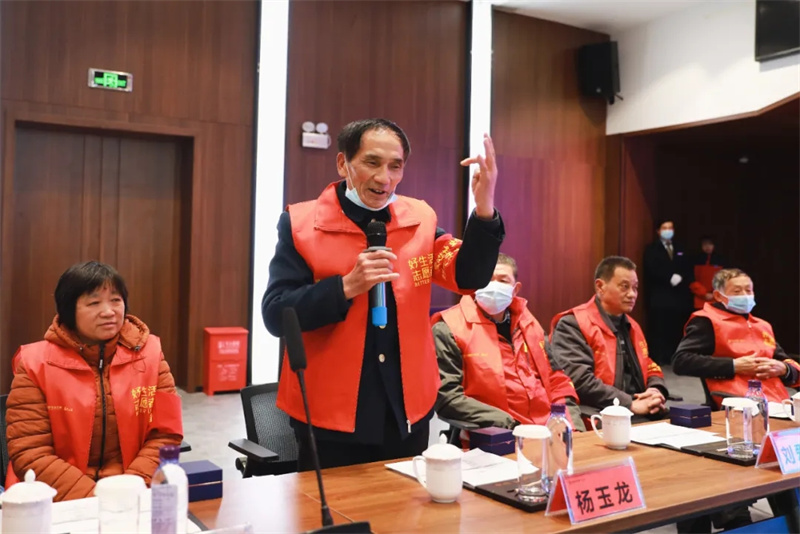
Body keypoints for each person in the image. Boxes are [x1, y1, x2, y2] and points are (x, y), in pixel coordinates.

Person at [262, 118, 504, 470]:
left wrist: (484, 209)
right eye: (371, 162)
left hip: (406, 408)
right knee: (333, 506)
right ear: (343, 163)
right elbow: (275, 314)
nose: (384, 178)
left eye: (395, 166)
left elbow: (468, 277)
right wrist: (345, 287)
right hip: (330, 415)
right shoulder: (301, 224)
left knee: (405, 503)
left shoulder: (420, 219)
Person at [5, 261, 183, 501]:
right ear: (69, 311)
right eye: (94, 303)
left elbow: (166, 434)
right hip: (61, 498)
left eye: (116, 300)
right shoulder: (35, 363)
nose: (108, 311)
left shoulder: (150, 354)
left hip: (133, 492)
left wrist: (130, 489)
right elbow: (30, 451)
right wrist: (94, 500)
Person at [432, 253, 585, 432]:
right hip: (499, 434)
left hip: (548, 431)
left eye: (503, 281)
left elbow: (556, 380)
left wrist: (571, 427)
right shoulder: (449, 327)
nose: (494, 286)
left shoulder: (529, 323)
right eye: (487, 279)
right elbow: (448, 398)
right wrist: (509, 424)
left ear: (515, 289)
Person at [550, 256, 669, 423]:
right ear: (600, 287)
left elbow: (647, 364)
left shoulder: (632, 325)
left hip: (639, 408)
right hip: (599, 412)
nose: (632, 294)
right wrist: (629, 404)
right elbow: (579, 381)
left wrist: (655, 390)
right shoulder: (573, 324)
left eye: (635, 288)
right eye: (624, 287)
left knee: (689, 425)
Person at [673, 268, 800, 406]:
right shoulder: (707, 321)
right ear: (718, 296)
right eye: (737, 291)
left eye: (748, 290)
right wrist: (734, 366)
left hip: (777, 399)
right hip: (736, 400)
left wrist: (784, 369)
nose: (745, 295)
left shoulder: (762, 325)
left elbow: (784, 359)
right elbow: (681, 361)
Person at [643, 219, 692, 365]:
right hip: (660, 295)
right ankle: (659, 357)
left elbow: (687, 266)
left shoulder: (680, 247)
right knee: (659, 327)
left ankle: (674, 356)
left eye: (670, 227)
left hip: (678, 296)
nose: (668, 230)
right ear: (658, 231)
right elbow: (651, 268)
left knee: (676, 327)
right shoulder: (652, 248)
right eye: (665, 228)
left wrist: (681, 276)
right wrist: (668, 277)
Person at [689, 236, 727, 310]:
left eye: (710, 244)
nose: (707, 247)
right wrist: (703, 293)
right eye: (704, 244)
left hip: (717, 298)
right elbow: (691, 279)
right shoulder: (694, 260)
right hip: (699, 298)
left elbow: (725, 280)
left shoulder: (721, 260)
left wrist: (714, 293)